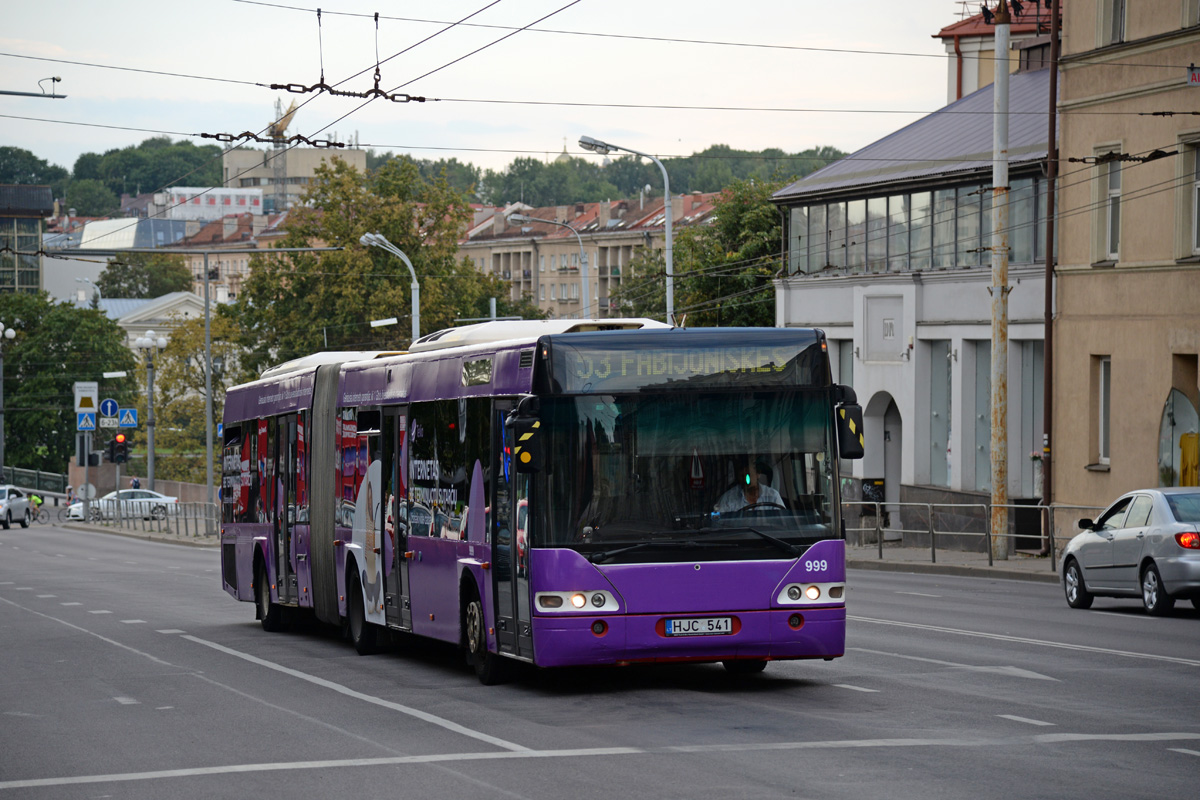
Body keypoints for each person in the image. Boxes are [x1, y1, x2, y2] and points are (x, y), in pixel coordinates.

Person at [714, 458, 783, 514]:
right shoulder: (728, 499)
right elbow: (717, 522)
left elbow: (782, 522)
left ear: (758, 474)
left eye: (748, 475)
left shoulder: (773, 496)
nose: (745, 479)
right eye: (742, 476)